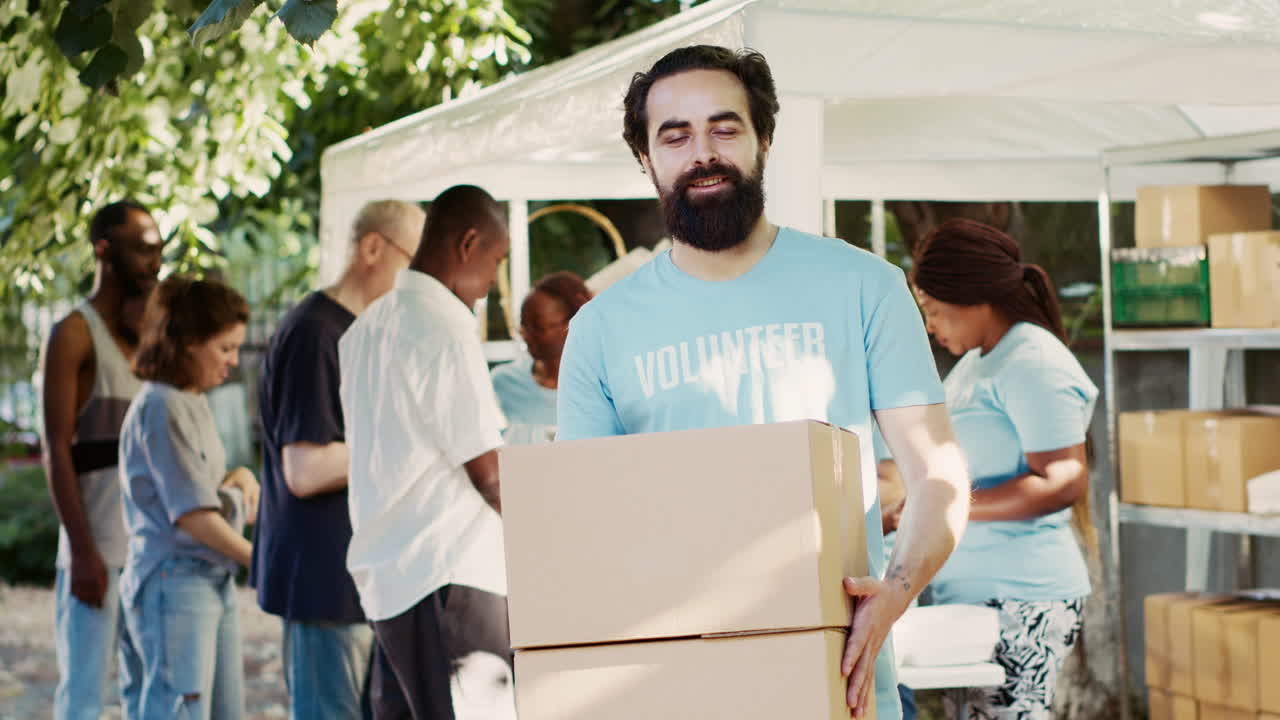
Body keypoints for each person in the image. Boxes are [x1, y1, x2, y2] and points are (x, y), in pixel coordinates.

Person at [556, 45, 972, 720]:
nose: (704, 153)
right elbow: (586, 527)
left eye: (725, 128)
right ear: (645, 159)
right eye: (676, 135)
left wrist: (895, 591)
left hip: (838, 682)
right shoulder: (600, 331)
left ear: (765, 140)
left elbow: (938, 476)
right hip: (673, 689)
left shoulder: (863, 286)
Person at [907, 218, 1096, 720]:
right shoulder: (976, 365)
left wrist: (948, 509)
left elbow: (1062, 480)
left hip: (1022, 598)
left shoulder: (1033, 361)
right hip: (975, 598)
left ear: (970, 295)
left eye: (932, 310)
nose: (929, 325)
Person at [339, 184, 514, 720]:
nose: (491, 285)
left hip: (391, 577)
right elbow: (488, 473)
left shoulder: (365, 328)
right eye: (495, 262)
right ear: (467, 244)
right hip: (450, 572)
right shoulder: (444, 324)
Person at [253, 199, 425, 719]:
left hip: (354, 578)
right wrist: (409, 444)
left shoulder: (355, 329)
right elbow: (306, 470)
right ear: (373, 247)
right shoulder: (316, 334)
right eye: (414, 263)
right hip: (324, 581)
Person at [39, 200, 161, 720]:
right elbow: (55, 449)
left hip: (152, 551)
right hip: (98, 551)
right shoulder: (72, 333)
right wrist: (83, 552)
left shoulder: (152, 335)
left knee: (149, 692)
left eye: (159, 249)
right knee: (84, 698)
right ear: (104, 251)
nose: (154, 261)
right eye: (143, 249)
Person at [118, 275, 261, 719]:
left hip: (207, 578)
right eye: (225, 348)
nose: (234, 362)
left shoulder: (189, 399)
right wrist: (262, 559)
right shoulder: (161, 406)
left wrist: (237, 476)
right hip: (174, 581)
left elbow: (201, 487)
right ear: (187, 343)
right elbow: (194, 516)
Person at [490, 271, 593, 444]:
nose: (525, 335)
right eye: (523, 325)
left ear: (574, 323)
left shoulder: (603, 388)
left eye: (537, 327)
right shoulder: (503, 383)